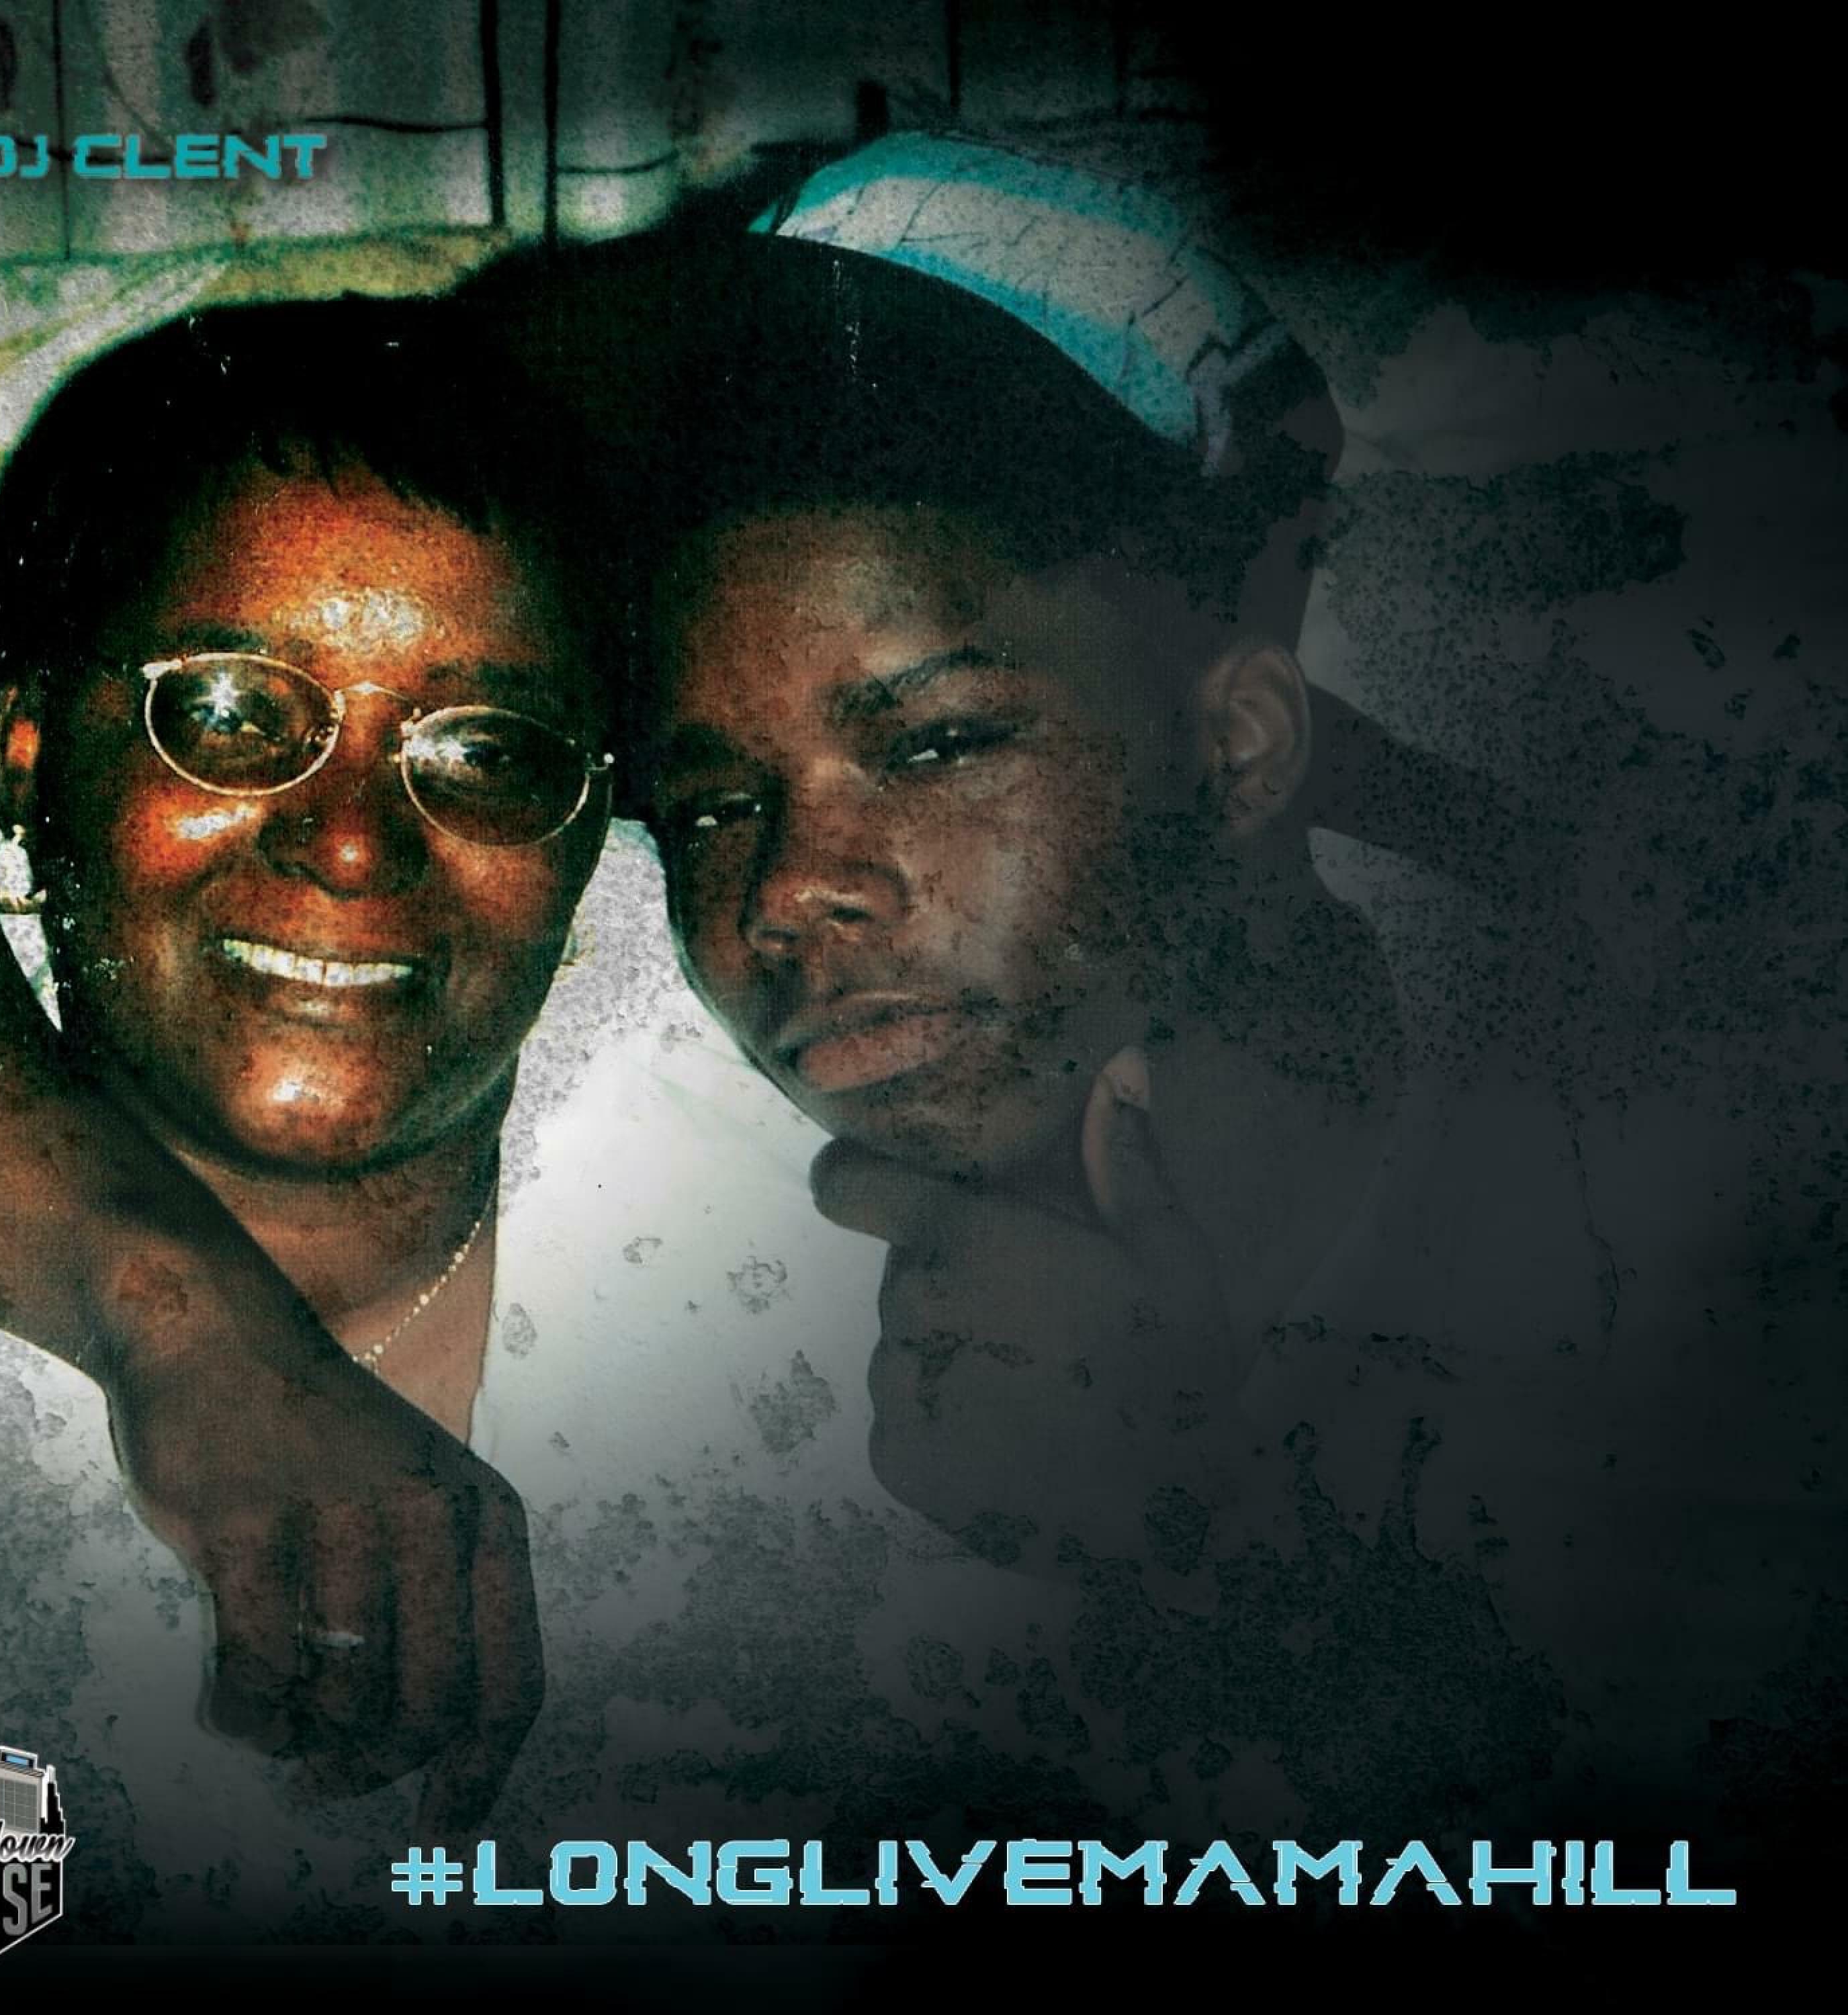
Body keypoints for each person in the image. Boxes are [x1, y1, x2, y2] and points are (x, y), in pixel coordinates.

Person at [605, 136, 1843, 1877]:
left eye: (938, 741)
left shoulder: (1680, 1234)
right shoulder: (612, 1183)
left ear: (1248, 741)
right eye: (710, 802)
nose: (787, 887)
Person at [0, 289, 615, 1926]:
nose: (355, 843)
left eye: (485, 751)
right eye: (236, 714)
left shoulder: (771, 1086)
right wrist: (179, 1319)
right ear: (28, 760)